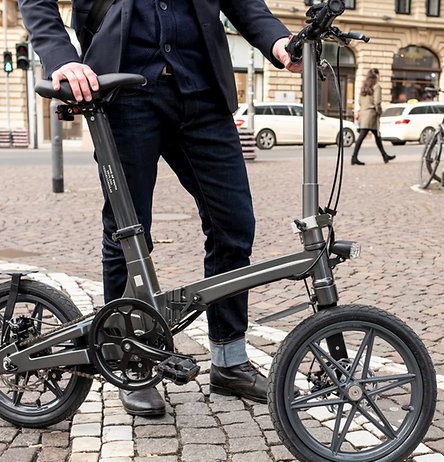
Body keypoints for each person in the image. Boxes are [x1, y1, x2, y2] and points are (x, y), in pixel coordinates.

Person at [19, 0, 301, 416]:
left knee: (234, 226)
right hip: (122, 91)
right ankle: (130, 362)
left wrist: (278, 41)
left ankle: (228, 361)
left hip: (203, 91)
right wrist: (62, 57)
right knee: (128, 232)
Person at [351, 68, 394, 165]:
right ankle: (354, 157)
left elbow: (359, 101)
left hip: (364, 113)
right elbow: (377, 102)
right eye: (379, 74)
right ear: (376, 75)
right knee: (363, 136)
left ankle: (384, 155)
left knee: (376, 136)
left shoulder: (364, 86)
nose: (380, 76)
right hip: (372, 114)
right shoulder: (377, 86)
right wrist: (379, 112)